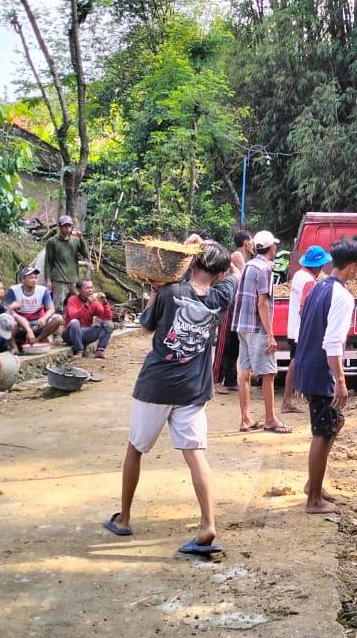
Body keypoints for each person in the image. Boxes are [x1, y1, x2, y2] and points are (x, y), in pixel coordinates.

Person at [103, 241, 238, 555]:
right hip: (193, 390)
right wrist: (210, 254)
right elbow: (237, 266)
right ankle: (207, 525)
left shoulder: (169, 292)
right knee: (195, 454)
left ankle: (124, 519)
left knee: (136, 448)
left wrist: (159, 285)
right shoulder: (222, 295)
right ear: (220, 274)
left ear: (192, 263)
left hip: (156, 386)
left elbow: (146, 326)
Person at [294, 239, 357, 514]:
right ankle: (313, 499)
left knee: (335, 422)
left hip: (309, 363)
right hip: (322, 369)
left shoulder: (318, 287)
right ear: (352, 267)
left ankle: (313, 483)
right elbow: (333, 342)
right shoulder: (342, 296)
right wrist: (340, 381)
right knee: (323, 433)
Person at [233, 229, 290, 433]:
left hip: (243, 326)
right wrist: (271, 334)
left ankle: (245, 419)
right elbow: (262, 303)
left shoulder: (249, 266)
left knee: (245, 371)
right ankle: (270, 419)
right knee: (268, 373)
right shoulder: (265, 269)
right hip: (257, 327)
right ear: (271, 247)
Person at [282, 244, 332, 414]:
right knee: (297, 362)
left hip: (293, 328)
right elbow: (304, 309)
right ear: (318, 265)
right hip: (301, 330)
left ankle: (290, 399)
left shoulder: (298, 274)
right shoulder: (310, 281)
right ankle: (287, 401)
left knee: (296, 361)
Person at [213, 229, 253, 394]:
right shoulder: (237, 255)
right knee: (224, 343)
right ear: (246, 242)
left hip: (237, 306)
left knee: (234, 344)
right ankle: (215, 380)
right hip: (228, 305)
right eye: (251, 241)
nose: (253, 244)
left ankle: (230, 379)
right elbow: (247, 274)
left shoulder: (244, 257)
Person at [8, 266, 63, 345]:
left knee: (58, 319)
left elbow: (51, 309)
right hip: (20, 323)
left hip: (38, 323)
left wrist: (44, 318)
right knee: (10, 321)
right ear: (23, 280)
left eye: (36, 277)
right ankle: (12, 345)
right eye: (31, 278)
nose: (34, 280)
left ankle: (38, 340)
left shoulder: (43, 290)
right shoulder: (14, 290)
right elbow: (10, 311)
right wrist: (25, 325)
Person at [44, 215, 90, 307]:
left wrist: (81, 239)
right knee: (58, 305)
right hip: (59, 279)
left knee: (78, 304)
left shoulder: (75, 241)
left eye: (69, 226)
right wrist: (48, 280)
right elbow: (48, 261)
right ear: (60, 227)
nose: (67, 228)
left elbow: (86, 254)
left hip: (73, 279)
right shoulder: (52, 241)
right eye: (65, 226)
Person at [64, 279, 113, 358]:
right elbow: (74, 317)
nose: (90, 290)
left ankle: (100, 350)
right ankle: (79, 350)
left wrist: (105, 303)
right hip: (71, 334)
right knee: (74, 322)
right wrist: (86, 305)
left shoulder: (94, 302)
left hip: (85, 332)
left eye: (91, 288)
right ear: (79, 290)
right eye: (87, 288)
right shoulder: (72, 300)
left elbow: (107, 317)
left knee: (109, 324)